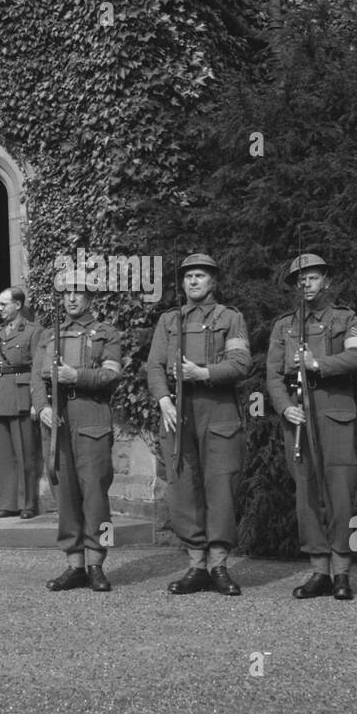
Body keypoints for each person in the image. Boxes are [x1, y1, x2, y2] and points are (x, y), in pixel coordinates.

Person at [146, 253, 251, 595]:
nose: (193, 281)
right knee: (183, 489)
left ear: (213, 282)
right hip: (178, 413)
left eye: (200, 276)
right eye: (188, 276)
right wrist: (163, 400)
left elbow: (240, 363)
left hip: (219, 412)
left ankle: (219, 566)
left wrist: (203, 373)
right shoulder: (169, 320)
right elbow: (155, 366)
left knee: (220, 489)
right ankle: (196, 566)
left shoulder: (230, 318)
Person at [265, 252, 357, 601]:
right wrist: (283, 408)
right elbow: (274, 375)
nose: (305, 284)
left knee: (340, 493)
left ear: (326, 280)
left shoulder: (345, 319)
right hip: (298, 419)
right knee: (307, 494)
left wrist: (317, 364)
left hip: (336, 415)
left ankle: (341, 573)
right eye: (300, 279)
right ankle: (318, 571)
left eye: (312, 277)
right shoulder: (285, 326)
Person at [32, 278, 123, 590]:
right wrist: (41, 405)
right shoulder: (48, 334)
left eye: (78, 293)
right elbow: (36, 376)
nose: (71, 299)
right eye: (66, 293)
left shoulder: (106, 332)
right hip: (56, 417)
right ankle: (74, 565)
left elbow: (113, 375)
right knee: (65, 491)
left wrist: (77, 376)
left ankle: (97, 561)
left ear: (90, 296)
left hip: (91, 415)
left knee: (96, 491)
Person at [0, 287, 41, 518]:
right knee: (3, 457)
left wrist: (38, 401)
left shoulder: (33, 331)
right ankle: (7, 503)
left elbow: (38, 369)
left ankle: (27, 504)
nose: (0, 309)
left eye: (4, 304)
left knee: (25, 454)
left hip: (20, 397)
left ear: (17, 305)